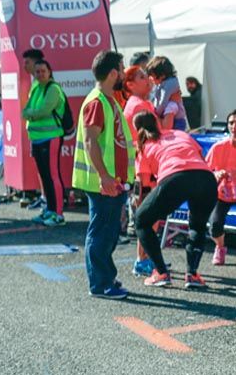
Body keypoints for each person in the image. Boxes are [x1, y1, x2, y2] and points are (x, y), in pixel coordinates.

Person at [72, 51, 135, 300]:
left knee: (108, 232)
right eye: (121, 69)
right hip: (103, 183)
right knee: (101, 232)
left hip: (112, 182)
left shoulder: (108, 100)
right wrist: (104, 176)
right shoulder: (97, 101)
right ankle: (100, 284)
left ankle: (105, 277)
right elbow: (90, 141)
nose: (123, 74)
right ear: (112, 74)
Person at [131, 110, 217, 288]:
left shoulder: (144, 146)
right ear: (157, 122)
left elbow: (145, 185)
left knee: (141, 220)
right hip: (206, 179)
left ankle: (161, 272)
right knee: (197, 226)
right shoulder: (180, 133)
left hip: (174, 178)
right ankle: (192, 275)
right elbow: (198, 159)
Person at [122, 65, 161, 277]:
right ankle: (142, 260)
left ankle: (147, 258)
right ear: (130, 84)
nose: (148, 79)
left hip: (141, 165)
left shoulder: (134, 103)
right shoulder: (140, 105)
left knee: (146, 213)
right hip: (146, 166)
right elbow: (152, 135)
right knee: (149, 214)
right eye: (142, 77)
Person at [21, 59, 69, 227]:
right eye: (37, 71)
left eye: (43, 71)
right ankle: (50, 209)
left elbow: (42, 111)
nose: (40, 74)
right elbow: (25, 110)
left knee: (53, 175)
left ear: (49, 72)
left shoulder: (53, 88)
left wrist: (30, 114)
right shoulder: (36, 88)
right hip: (37, 138)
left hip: (51, 138)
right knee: (44, 176)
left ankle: (59, 214)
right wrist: (31, 113)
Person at [206, 110, 236, 266]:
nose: (234, 126)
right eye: (231, 123)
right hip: (223, 193)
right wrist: (216, 174)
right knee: (215, 225)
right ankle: (220, 247)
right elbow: (205, 171)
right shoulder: (218, 148)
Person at [146, 56, 187, 131]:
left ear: (162, 75)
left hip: (177, 121)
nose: (151, 79)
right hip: (170, 117)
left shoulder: (170, 84)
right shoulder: (162, 83)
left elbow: (163, 102)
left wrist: (156, 113)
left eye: (153, 76)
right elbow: (157, 98)